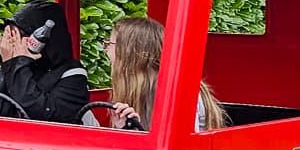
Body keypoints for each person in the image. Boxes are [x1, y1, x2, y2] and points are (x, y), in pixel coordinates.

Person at [87, 15, 227, 132]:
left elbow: (179, 148)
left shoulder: (176, 92)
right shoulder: (135, 87)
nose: (105, 50)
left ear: (129, 52)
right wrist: (124, 127)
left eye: (109, 44)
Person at [0, 0, 89, 123]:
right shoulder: (18, 66)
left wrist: (18, 65)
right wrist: (9, 65)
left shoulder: (73, 74)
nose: (13, 44)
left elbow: (43, 113)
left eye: (17, 36)